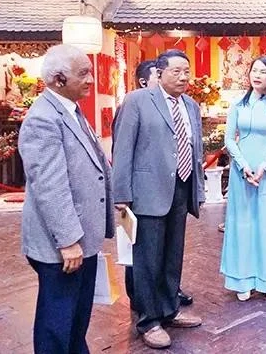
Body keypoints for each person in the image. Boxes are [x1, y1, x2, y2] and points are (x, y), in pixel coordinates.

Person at [18, 44, 114, 354]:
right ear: (59, 78)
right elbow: (50, 185)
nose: (91, 80)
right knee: (56, 326)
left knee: (76, 319)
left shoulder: (70, 109)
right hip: (61, 245)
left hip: (80, 239)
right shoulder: (43, 119)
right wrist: (68, 241)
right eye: (83, 74)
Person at [111, 49, 204, 349]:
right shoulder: (138, 101)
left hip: (181, 187)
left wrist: (197, 190)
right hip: (147, 191)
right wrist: (121, 193)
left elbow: (196, 150)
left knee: (172, 255)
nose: (183, 77)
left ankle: (168, 309)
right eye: (176, 71)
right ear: (160, 72)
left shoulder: (190, 105)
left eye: (187, 71)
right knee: (147, 259)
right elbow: (123, 148)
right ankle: (148, 321)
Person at [220, 55, 266, 301]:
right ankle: (242, 281)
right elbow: (230, 139)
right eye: (254, 71)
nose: (257, 75)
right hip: (242, 173)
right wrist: (243, 166)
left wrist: (264, 166)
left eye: (263, 72)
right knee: (242, 225)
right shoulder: (238, 106)